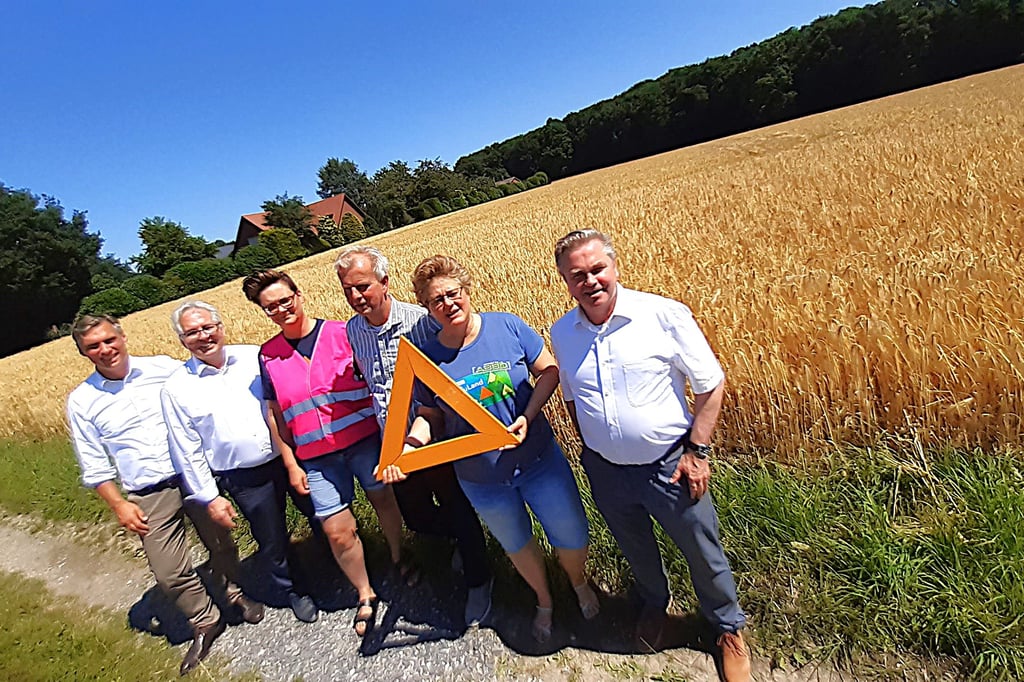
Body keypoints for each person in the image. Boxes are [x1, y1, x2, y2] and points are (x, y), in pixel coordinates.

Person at [549, 229, 750, 681]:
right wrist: (591, 448)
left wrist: (697, 452)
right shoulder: (563, 331)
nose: (591, 281)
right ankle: (655, 604)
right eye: (577, 274)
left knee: (702, 549)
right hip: (606, 470)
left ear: (614, 266)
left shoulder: (662, 314)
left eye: (598, 269)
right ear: (565, 280)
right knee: (635, 547)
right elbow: (570, 398)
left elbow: (710, 383)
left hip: (670, 465)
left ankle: (728, 628)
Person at [381, 254, 599, 643]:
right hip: (481, 479)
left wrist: (528, 416)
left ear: (466, 290)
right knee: (516, 543)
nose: (447, 304)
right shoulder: (428, 357)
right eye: (436, 300)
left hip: (538, 460)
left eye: (452, 294)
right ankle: (544, 598)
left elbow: (549, 372)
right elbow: (429, 416)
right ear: (426, 308)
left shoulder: (507, 326)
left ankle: (577, 581)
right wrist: (408, 451)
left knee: (573, 535)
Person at [65, 314, 263, 676]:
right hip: (147, 492)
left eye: (110, 339)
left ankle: (233, 593)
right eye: (93, 346)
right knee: (168, 572)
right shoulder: (82, 401)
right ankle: (205, 620)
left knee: (222, 544)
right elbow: (93, 463)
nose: (105, 349)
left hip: (194, 476)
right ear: (83, 352)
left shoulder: (163, 369)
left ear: (122, 336)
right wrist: (119, 504)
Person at [335, 246, 494, 627]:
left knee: (455, 504)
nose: (356, 297)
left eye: (363, 286)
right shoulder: (353, 330)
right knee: (417, 517)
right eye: (348, 290)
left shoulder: (420, 322)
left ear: (384, 282)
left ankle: (480, 578)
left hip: (434, 435)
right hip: (393, 445)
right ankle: (464, 539)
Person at [241, 269, 403, 639]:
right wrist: (290, 462)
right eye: (271, 308)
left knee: (384, 501)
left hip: (365, 441)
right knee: (336, 530)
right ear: (264, 313)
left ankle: (398, 558)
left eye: (285, 300)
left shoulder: (342, 333)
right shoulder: (268, 355)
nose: (282, 309)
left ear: (299, 295)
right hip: (316, 457)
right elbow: (275, 414)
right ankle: (365, 593)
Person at [160, 300, 319, 623]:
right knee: (271, 538)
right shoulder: (176, 389)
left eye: (208, 327)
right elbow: (186, 448)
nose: (203, 336)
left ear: (221, 327)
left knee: (322, 514)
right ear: (181, 341)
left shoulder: (254, 357)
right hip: (243, 476)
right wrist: (210, 497)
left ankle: (346, 568)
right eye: (192, 332)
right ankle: (293, 590)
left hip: (293, 455)